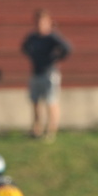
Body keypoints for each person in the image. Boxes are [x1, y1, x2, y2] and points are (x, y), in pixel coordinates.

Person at [21, 9, 71, 141]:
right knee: (35, 102)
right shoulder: (33, 37)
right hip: (36, 73)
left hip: (49, 74)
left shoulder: (52, 37)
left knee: (51, 102)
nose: (40, 25)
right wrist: (33, 56)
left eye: (42, 22)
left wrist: (55, 58)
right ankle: (36, 129)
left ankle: (51, 131)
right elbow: (24, 47)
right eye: (38, 22)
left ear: (48, 22)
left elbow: (67, 48)